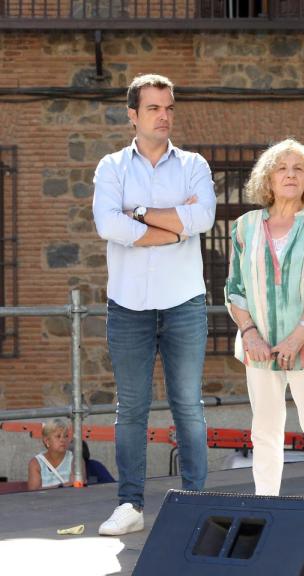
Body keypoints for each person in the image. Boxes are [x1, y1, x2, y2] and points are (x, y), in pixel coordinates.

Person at [92, 73, 215, 536]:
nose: (164, 116)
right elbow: (107, 225)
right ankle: (129, 504)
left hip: (183, 300)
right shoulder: (110, 167)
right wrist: (172, 226)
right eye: (153, 108)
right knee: (131, 409)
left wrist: (139, 213)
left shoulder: (194, 165)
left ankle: (196, 502)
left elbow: (201, 217)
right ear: (132, 115)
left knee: (188, 405)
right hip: (127, 304)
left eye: (169, 108)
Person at [225, 139, 304, 500]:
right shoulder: (245, 226)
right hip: (257, 347)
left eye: (299, 169)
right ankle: (265, 507)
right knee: (264, 431)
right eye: (282, 168)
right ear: (268, 178)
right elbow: (234, 287)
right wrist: (249, 333)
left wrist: (298, 337)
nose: (290, 175)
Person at [27, 419, 75, 490]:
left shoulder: (75, 459)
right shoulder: (36, 463)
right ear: (47, 441)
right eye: (58, 436)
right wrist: (60, 486)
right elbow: (34, 492)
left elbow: (75, 486)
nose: (63, 440)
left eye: (66, 436)